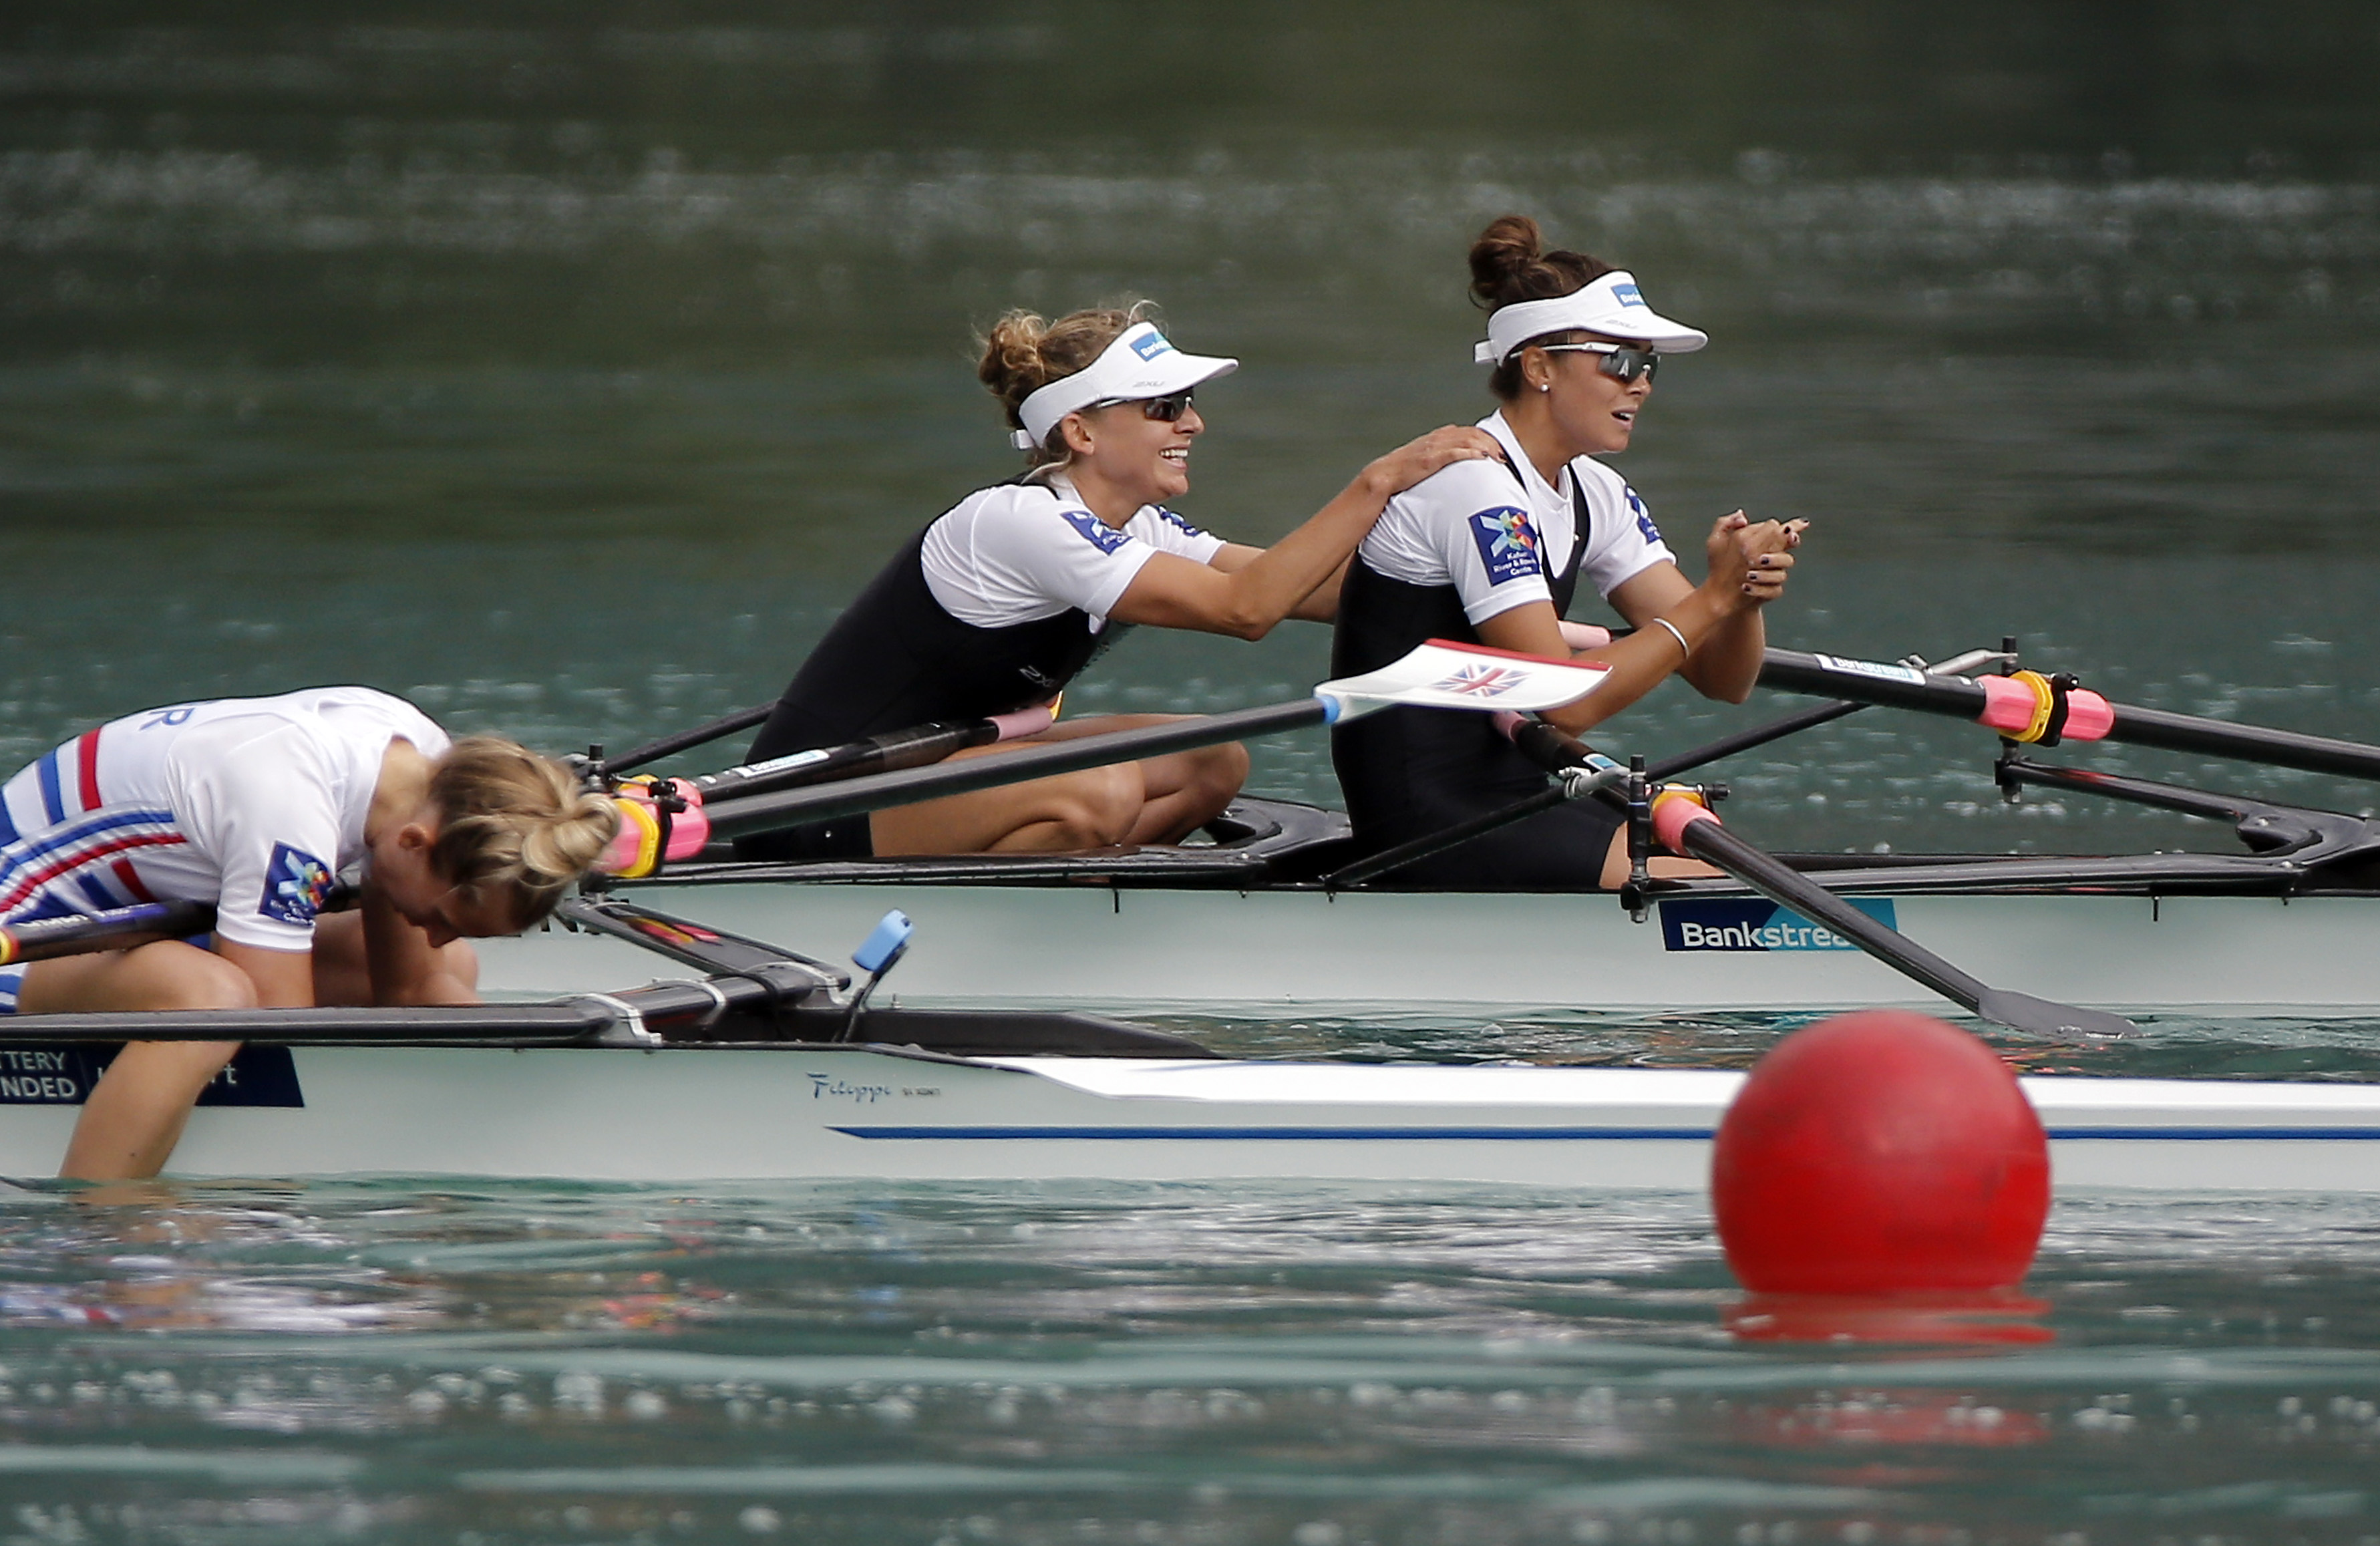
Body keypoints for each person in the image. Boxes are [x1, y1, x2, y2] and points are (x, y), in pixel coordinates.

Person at [738, 304, 1498, 859]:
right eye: (1165, 407)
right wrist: (1380, 480)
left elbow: (1322, 594)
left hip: (943, 773)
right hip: (814, 807)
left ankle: (1094, 891)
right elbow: (1248, 609)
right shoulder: (1015, 522)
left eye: (1189, 405)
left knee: (1214, 759)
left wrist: (1489, 582)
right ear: (1081, 431)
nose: (1193, 424)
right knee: (1097, 791)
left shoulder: (1134, 525)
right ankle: (1058, 902)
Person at [1331, 216, 1804, 888]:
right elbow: (1563, 701)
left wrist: (1744, 593)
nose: (1639, 384)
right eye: (1618, 361)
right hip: (1423, 809)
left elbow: (1724, 681)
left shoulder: (1595, 491)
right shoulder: (1475, 487)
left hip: (1517, 778)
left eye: (1648, 365)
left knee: (1711, 855)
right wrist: (1714, 597)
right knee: (1705, 879)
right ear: (1539, 366)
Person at [0, 688, 619, 1180]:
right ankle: (100, 1224)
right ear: (414, 844)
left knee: (452, 971)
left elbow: (413, 992)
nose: (433, 934)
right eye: (442, 918)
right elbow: (284, 1027)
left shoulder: (422, 765)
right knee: (211, 1003)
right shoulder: (290, 813)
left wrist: (532, 1091)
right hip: (23, 927)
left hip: (117, 924)